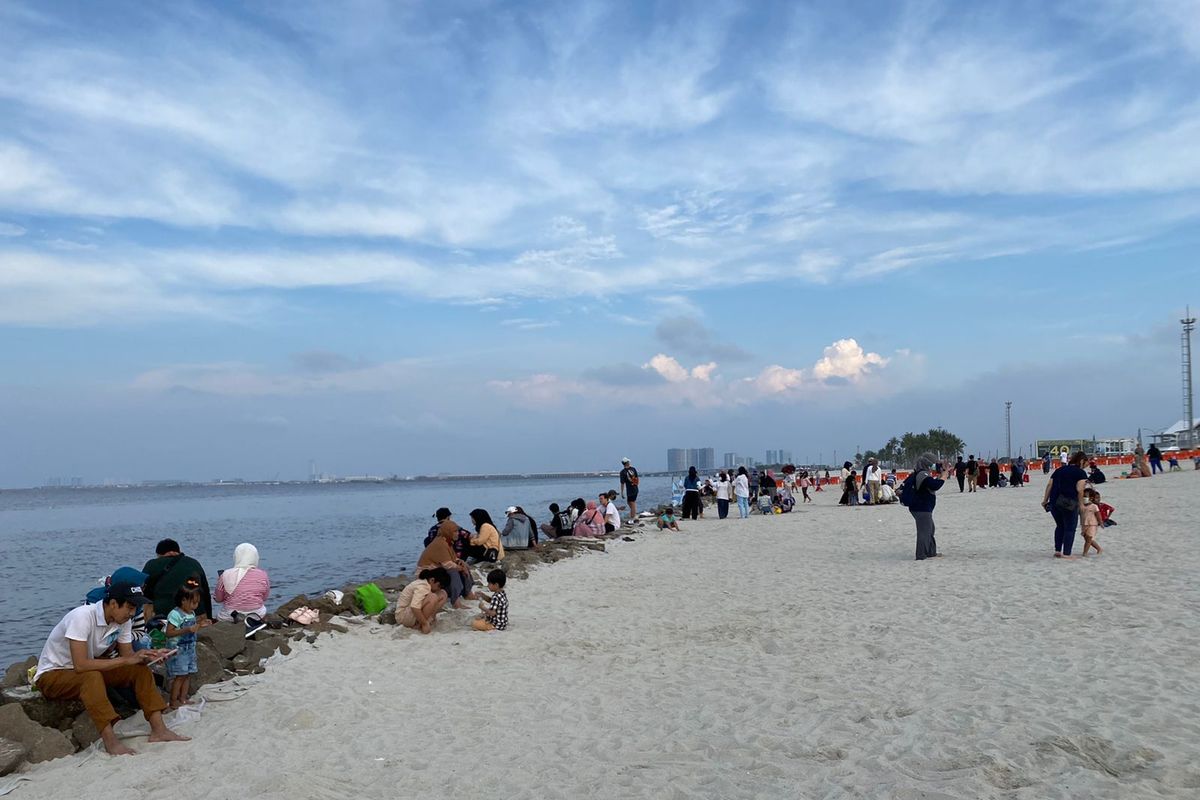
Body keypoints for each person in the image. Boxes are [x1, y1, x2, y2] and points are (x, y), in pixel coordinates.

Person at [33, 579, 189, 755]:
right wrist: (127, 660)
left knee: (139, 670)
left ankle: (159, 729)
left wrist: (150, 655)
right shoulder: (82, 616)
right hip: (53, 674)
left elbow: (128, 656)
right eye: (129, 607)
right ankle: (110, 741)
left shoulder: (122, 621)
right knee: (91, 677)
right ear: (113, 604)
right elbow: (81, 665)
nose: (132, 613)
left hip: (87, 669)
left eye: (135, 608)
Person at [142, 538, 213, 621]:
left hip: (162, 616)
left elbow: (143, 593)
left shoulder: (151, 565)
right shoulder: (194, 563)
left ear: (158, 554)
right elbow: (206, 593)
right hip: (195, 615)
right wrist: (209, 617)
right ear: (178, 551)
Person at [165, 586, 208, 709]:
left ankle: (183, 698)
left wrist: (200, 625)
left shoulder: (191, 613)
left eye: (197, 603)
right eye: (193, 603)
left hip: (190, 647)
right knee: (179, 676)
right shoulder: (175, 614)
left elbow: (193, 628)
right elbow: (169, 633)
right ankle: (173, 701)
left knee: (188, 674)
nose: (195, 606)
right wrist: (187, 629)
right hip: (178, 649)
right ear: (183, 600)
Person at [213, 543, 271, 633]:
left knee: (220, 615)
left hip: (230, 615)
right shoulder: (263, 575)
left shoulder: (225, 575)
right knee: (262, 609)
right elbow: (264, 597)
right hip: (256, 614)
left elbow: (219, 599)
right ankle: (252, 625)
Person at [1042, 451, 1089, 559]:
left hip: (1054, 502)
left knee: (1060, 526)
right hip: (1069, 502)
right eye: (1086, 462)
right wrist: (1081, 504)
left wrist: (1045, 500)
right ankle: (1067, 553)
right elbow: (1079, 489)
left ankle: (1058, 550)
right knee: (1070, 528)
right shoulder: (1080, 473)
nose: (1086, 465)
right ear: (1082, 461)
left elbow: (1049, 485)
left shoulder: (1059, 470)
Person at [417, 523, 475, 608]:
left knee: (463, 565)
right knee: (453, 572)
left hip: (438, 570)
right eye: (455, 531)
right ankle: (455, 601)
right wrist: (461, 568)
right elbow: (448, 565)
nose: (457, 534)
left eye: (457, 531)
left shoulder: (447, 541)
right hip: (427, 573)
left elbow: (453, 558)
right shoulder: (440, 543)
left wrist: (462, 564)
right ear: (448, 532)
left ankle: (467, 593)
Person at [902, 453, 944, 560]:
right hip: (921, 508)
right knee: (924, 532)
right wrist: (943, 476)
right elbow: (934, 485)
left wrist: (939, 475)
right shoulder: (922, 474)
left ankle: (930, 552)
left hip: (921, 508)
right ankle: (921, 555)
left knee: (930, 529)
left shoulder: (917, 474)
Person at [395, 568, 450, 634]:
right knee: (433, 597)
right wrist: (424, 623)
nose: (438, 589)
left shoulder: (426, 583)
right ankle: (421, 625)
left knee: (443, 594)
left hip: (409, 613)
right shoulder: (422, 586)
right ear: (432, 580)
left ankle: (429, 619)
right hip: (403, 616)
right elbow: (414, 607)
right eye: (439, 586)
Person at [1079, 488, 1104, 556]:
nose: (1084, 498)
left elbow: (1098, 515)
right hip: (1084, 524)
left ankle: (1085, 552)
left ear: (1091, 498)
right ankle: (1099, 548)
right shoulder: (1082, 506)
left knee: (1089, 539)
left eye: (1086, 496)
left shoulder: (1094, 506)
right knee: (1086, 538)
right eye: (1083, 496)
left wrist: (1101, 522)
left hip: (1092, 524)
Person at [619, 457, 641, 524]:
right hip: (635, 488)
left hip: (630, 489)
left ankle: (632, 518)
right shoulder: (633, 469)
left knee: (632, 503)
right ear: (627, 462)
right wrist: (636, 485)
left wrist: (622, 492)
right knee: (630, 502)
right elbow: (637, 478)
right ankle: (633, 514)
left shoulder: (622, 472)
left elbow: (622, 483)